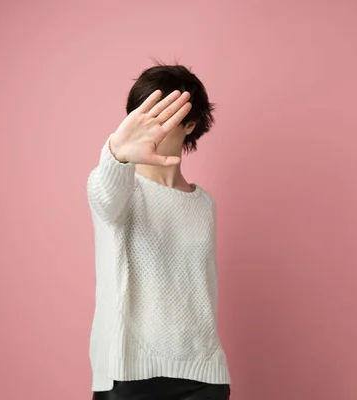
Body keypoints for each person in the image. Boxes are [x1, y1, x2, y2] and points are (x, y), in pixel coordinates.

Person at [87, 64, 231, 400]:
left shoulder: (203, 204)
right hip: (128, 375)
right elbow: (104, 191)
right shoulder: (118, 188)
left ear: (189, 125)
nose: (149, 127)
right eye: (142, 115)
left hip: (203, 374)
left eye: (163, 117)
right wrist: (116, 153)